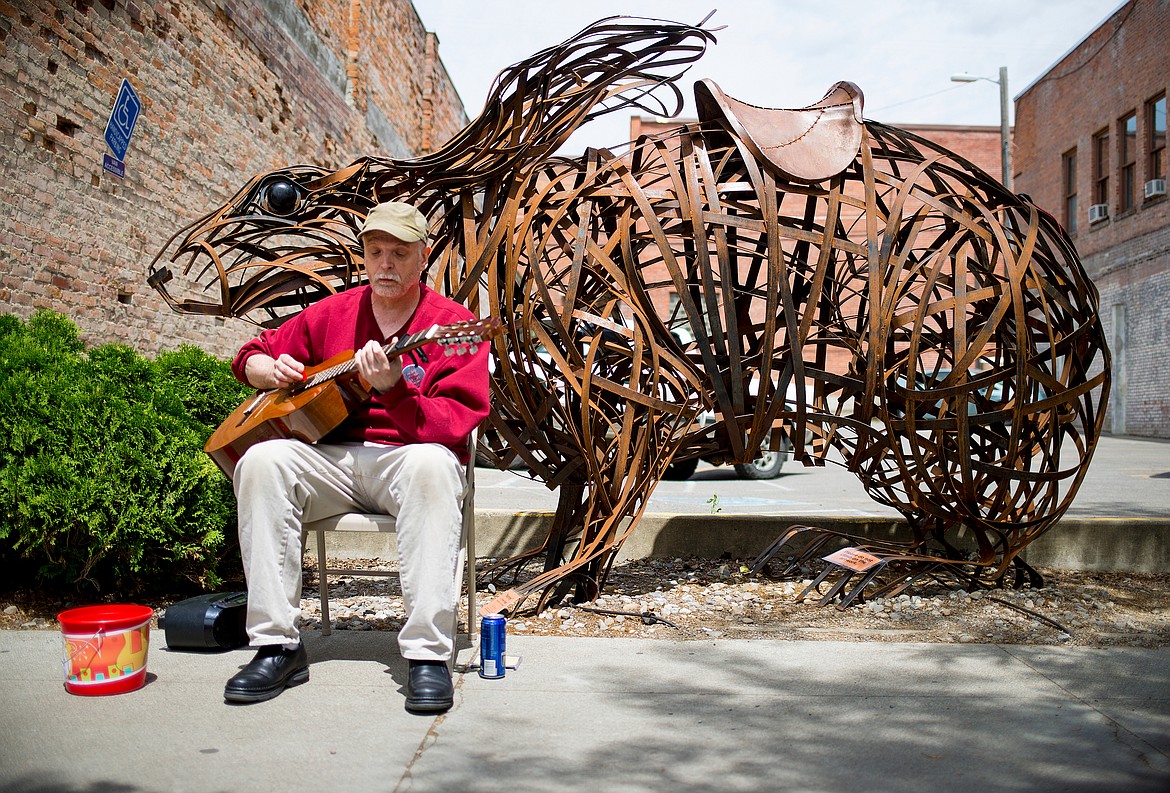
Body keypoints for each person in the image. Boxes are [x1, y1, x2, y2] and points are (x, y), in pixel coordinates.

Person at [222, 201, 491, 713]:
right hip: (331, 458)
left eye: (399, 253)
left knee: (435, 466)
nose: (386, 264)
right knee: (261, 461)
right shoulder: (335, 312)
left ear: (423, 257)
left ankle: (427, 655)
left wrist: (394, 391)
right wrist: (260, 368)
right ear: (364, 256)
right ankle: (276, 645)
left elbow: (455, 425)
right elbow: (253, 350)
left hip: (408, 460)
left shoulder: (452, 327)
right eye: (376, 252)